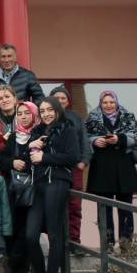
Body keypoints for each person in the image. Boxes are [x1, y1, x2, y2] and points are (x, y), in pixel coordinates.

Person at [23, 96, 80, 273]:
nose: (46, 114)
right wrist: (32, 145)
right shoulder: (37, 131)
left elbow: (73, 157)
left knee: (55, 235)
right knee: (30, 234)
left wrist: (44, 157)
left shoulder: (68, 129)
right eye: (43, 110)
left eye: (50, 110)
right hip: (38, 185)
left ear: (57, 110)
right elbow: (26, 158)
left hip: (57, 183)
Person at [85, 90, 137, 247]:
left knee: (126, 208)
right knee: (104, 209)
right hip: (102, 169)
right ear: (100, 104)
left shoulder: (128, 116)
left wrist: (120, 139)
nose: (108, 105)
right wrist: (94, 141)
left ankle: (126, 245)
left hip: (124, 167)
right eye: (105, 102)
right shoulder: (91, 119)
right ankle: (107, 246)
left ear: (116, 103)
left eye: (111, 102)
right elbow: (84, 138)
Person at [48, 86, 92, 244]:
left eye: (63, 98)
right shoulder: (46, 117)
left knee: (74, 206)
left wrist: (83, 162)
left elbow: (85, 141)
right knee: (56, 206)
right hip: (54, 169)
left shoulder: (76, 117)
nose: (60, 101)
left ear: (68, 101)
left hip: (74, 169)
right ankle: (59, 240)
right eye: (56, 98)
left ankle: (74, 240)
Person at [5, 101, 39, 273]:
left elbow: (37, 159)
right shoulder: (13, 137)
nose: (24, 116)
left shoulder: (39, 134)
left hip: (34, 192)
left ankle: (21, 272)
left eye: (27, 113)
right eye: (20, 113)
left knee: (28, 234)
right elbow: (1, 158)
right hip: (15, 192)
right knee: (15, 231)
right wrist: (12, 162)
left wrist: (24, 156)